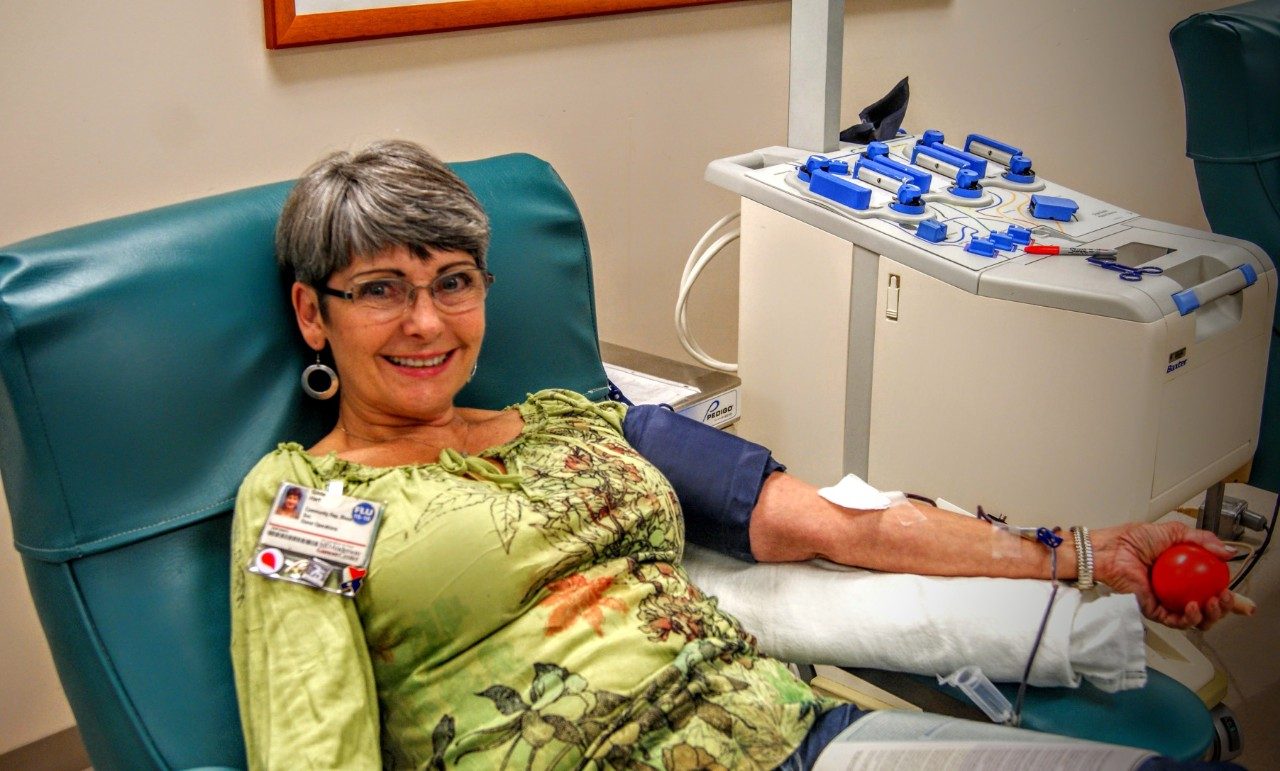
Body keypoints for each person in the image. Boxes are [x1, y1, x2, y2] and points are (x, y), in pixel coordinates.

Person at [230, 140, 1252, 770]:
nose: (425, 321)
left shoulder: (575, 422)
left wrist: (1082, 553)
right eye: (380, 289)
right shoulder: (310, 497)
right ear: (313, 315)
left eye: (453, 281)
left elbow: (836, 526)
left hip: (793, 733)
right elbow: (312, 735)